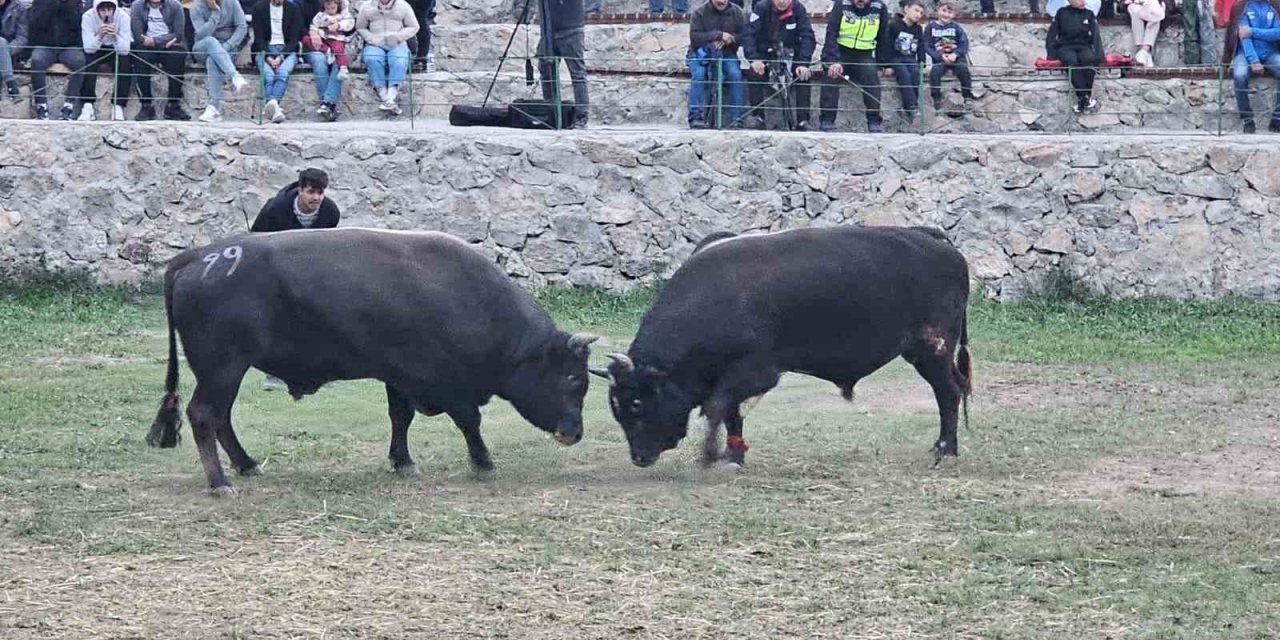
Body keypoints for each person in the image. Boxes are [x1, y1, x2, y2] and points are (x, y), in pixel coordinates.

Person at [249, 167, 341, 391]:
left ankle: (320, 374)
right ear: (300, 190)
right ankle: (274, 374)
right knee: (279, 322)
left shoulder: (330, 212)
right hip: (275, 272)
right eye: (311, 192)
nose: (316, 198)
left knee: (322, 319)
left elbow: (327, 248)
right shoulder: (275, 208)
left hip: (311, 274)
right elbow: (255, 240)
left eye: (320, 193)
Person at [741, 0, 815, 130]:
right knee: (754, 73)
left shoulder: (798, 9)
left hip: (791, 53)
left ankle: (803, 120)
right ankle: (758, 117)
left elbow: (808, 36)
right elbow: (749, 35)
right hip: (765, 53)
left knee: (803, 75)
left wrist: (803, 63)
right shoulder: (761, 8)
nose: (782, 1)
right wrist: (754, 59)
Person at [817, 0, 886, 132]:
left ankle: (874, 121)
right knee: (831, 75)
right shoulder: (841, 4)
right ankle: (827, 120)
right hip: (840, 53)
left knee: (872, 76)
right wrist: (832, 61)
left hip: (864, 55)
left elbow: (882, 37)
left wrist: (881, 64)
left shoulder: (880, 7)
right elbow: (831, 33)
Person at [687, 0, 746, 128]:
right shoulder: (699, 12)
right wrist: (717, 36)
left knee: (735, 74)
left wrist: (730, 39)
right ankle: (695, 116)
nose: (722, 1)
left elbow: (744, 36)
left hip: (727, 52)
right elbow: (694, 36)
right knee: (699, 76)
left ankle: (737, 118)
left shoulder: (737, 12)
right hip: (701, 52)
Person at [1222, 0, 1280, 132]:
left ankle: (1277, 119)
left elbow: (1278, 32)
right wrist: (1253, 60)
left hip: (1270, 52)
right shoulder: (1241, 6)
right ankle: (1247, 119)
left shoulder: (1276, 5)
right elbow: (1243, 36)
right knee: (1240, 75)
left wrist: (1253, 31)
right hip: (1245, 53)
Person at [191, 0, 251, 123]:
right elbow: (202, 34)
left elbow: (242, 27)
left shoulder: (232, 2)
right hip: (203, 46)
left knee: (213, 60)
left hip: (228, 46)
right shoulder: (196, 6)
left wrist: (226, 47)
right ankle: (235, 76)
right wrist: (215, 13)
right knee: (211, 41)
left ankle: (214, 108)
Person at [131, 0, 191, 120]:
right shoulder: (137, 6)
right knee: (139, 58)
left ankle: (173, 105)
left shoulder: (175, 5)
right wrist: (151, 42)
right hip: (146, 46)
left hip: (170, 46)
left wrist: (156, 40)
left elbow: (178, 34)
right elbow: (138, 35)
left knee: (177, 57)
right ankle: (146, 105)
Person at [356, 0, 418, 115]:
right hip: (375, 43)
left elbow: (414, 26)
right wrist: (373, 39)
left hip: (397, 43)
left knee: (400, 60)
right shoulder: (366, 6)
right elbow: (360, 27)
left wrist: (398, 37)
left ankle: (392, 94)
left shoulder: (403, 5)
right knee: (372, 58)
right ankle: (384, 95)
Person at [28, 0, 85, 120]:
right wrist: (53, 4)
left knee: (79, 61)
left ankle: (69, 105)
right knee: (37, 60)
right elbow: (38, 22)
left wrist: (65, 5)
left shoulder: (76, 2)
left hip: (69, 46)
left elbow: (77, 23)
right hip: (45, 45)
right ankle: (41, 105)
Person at [538, 0, 590, 128]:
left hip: (571, 28)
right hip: (548, 30)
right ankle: (551, 111)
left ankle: (581, 115)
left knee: (577, 73)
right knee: (546, 70)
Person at [78, 0, 133, 121]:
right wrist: (100, 36)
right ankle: (87, 104)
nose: (106, 13)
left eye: (109, 10)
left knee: (125, 62)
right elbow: (88, 48)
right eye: (102, 10)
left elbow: (125, 50)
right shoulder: (88, 16)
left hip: (116, 47)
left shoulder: (123, 17)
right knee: (87, 61)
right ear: (97, 9)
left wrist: (115, 36)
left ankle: (118, 105)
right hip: (95, 47)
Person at [1046, 0, 1103, 114]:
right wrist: (1051, 53)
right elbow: (1052, 34)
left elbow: (1096, 36)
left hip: (1083, 45)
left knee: (1089, 60)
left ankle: (1083, 98)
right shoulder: (1061, 12)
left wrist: (1099, 55)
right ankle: (1085, 96)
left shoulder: (1089, 14)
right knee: (1070, 61)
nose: (1084, 2)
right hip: (1065, 46)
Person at [251, 0, 303, 124]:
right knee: (268, 76)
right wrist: (268, 57)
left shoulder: (294, 9)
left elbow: (294, 39)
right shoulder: (259, 8)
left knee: (282, 72)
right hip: (264, 50)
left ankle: (271, 107)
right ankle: (275, 110)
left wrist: (281, 57)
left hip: (287, 50)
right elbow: (259, 38)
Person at [878, 0, 926, 125]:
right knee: (903, 74)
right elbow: (886, 45)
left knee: (915, 73)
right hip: (896, 59)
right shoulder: (893, 25)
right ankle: (911, 106)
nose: (918, 14)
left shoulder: (918, 29)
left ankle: (913, 103)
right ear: (906, 9)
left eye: (921, 13)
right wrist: (886, 65)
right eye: (916, 10)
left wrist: (922, 63)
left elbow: (921, 47)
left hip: (910, 59)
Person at [305, 0, 353, 120]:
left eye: (333, 7)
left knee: (339, 58)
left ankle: (326, 104)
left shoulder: (344, 15)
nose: (330, 9)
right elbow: (313, 25)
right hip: (323, 41)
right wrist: (314, 33)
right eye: (328, 7)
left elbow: (351, 25)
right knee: (319, 60)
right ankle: (329, 105)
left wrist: (338, 25)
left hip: (340, 41)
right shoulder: (320, 15)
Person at [924, 0, 974, 115]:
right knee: (935, 73)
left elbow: (964, 43)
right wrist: (939, 56)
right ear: (937, 11)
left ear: (954, 15)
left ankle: (967, 97)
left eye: (949, 12)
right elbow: (927, 45)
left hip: (956, 57)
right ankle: (936, 98)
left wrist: (955, 54)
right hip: (940, 58)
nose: (946, 14)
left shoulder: (956, 27)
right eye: (943, 10)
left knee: (963, 70)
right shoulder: (931, 27)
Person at [0, 0, 29, 102]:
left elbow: (22, 38)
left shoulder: (19, 7)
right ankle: (11, 85)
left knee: (1, 43)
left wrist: (5, 51)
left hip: (10, 52)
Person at [1125, 0, 1165, 67]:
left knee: (1156, 13)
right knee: (1135, 11)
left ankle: (1144, 50)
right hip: (1135, 4)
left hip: (1157, 4)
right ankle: (1143, 52)